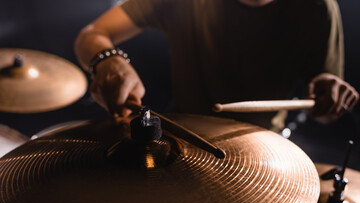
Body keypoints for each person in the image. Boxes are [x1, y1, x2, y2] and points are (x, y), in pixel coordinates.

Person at [74, 0, 359, 130]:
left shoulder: (318, 8)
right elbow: (92, 34)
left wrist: (330, 103)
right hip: (183, 135)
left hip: (265, 147)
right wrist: (107, 59)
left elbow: (323, 115)